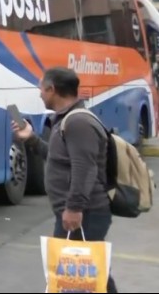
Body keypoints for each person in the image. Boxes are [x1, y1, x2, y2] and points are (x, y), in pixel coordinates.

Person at [12, 67, 117, 293]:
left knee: (75, 276)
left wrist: (74, 208)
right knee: (91, 273)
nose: (39, 94)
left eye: (41, 88)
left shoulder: (78, 122)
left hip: (84, 213)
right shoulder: (66, 120)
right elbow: (58, 158)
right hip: (78, 212)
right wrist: (30, 138)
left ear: (52, 89)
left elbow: (84, 167)